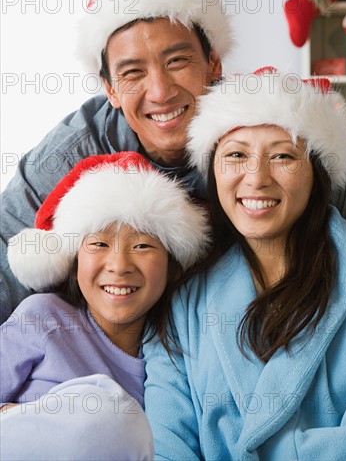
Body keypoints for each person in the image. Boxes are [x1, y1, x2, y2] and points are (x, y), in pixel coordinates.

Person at [1, 0, 346, 326]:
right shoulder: (70, 153)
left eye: (177, 61)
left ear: (214, 64)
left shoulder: (268, 122)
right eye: (132, 73)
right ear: (109, 89)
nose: (160, 92)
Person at [143, 68, 346, 460]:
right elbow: (168, 446)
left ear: (317, 173)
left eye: (282, 155)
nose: (256, 178)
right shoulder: (182, 307)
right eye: (236, 155)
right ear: (213, 169)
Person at [0, 151, 210, 461]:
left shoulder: (171, 366)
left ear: (171, 264)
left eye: (142, 245)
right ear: (74, 259)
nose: (119, 265)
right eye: (99, 244)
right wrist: (21, 419)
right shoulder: (43, 318)